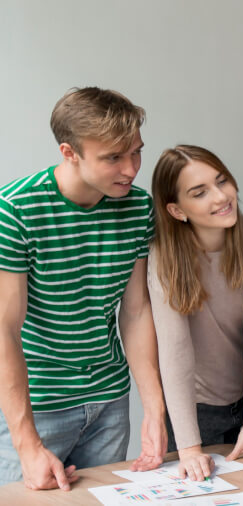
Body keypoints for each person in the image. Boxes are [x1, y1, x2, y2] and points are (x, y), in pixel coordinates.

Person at [0, 87, 166, 490]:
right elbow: (5, 328)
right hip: (38, 405)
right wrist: (26, 443)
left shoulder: (138, 207)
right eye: (113, 157)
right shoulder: (15, 209)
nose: (131, 169)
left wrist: (154, 410)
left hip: (110, 400)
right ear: (69, 152)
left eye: (136, 152)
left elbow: (136, 311)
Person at [148, 145, 243, 482]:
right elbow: (175, 352)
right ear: (176, 209)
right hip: (195, 414)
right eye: (200, 193)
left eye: (222, 181)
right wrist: (189, 447)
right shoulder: (163, 258)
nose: (220, 197)